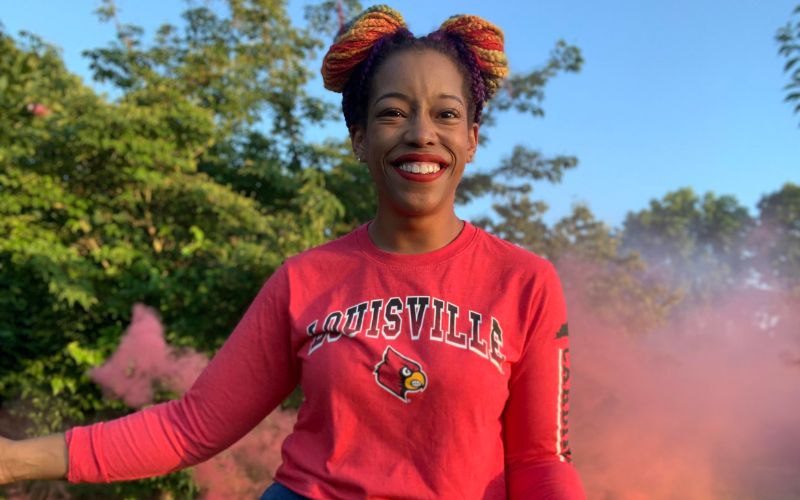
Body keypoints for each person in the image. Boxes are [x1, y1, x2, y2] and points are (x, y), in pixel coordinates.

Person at [0, 5, 586, 499]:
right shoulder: (306, 279)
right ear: (359, 138)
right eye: (391, 112)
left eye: (446, 114)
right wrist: (13, 461)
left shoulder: (525, 282)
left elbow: (540, 463)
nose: (420, 133)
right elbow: (193, 426)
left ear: (471, 140)